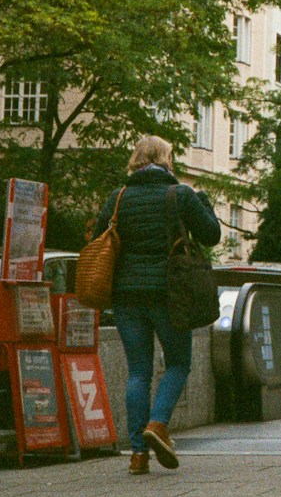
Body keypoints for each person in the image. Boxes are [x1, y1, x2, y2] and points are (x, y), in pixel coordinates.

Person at [92, 135, 220, 476]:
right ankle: (158, 424)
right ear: (167, 160)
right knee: (178, 364)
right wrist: (204, 201)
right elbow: (211, 235)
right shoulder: (181, 195)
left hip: (127, 295)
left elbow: (97, 238)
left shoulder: (118, 197)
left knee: (138, 372)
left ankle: (137, 454)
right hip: (170, 293)